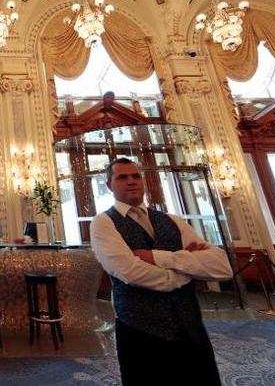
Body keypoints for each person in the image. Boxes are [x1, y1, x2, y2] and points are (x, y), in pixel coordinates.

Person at [90, 157, 233, 386]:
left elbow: (222, 266)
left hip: (190, 325)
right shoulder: (103, 223)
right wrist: (186, 269)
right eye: (122, 177)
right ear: (109, 185)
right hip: (140, 329)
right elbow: (129, 271)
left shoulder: (172, 220)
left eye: (136, 176)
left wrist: (158, 257)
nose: (131, 181)